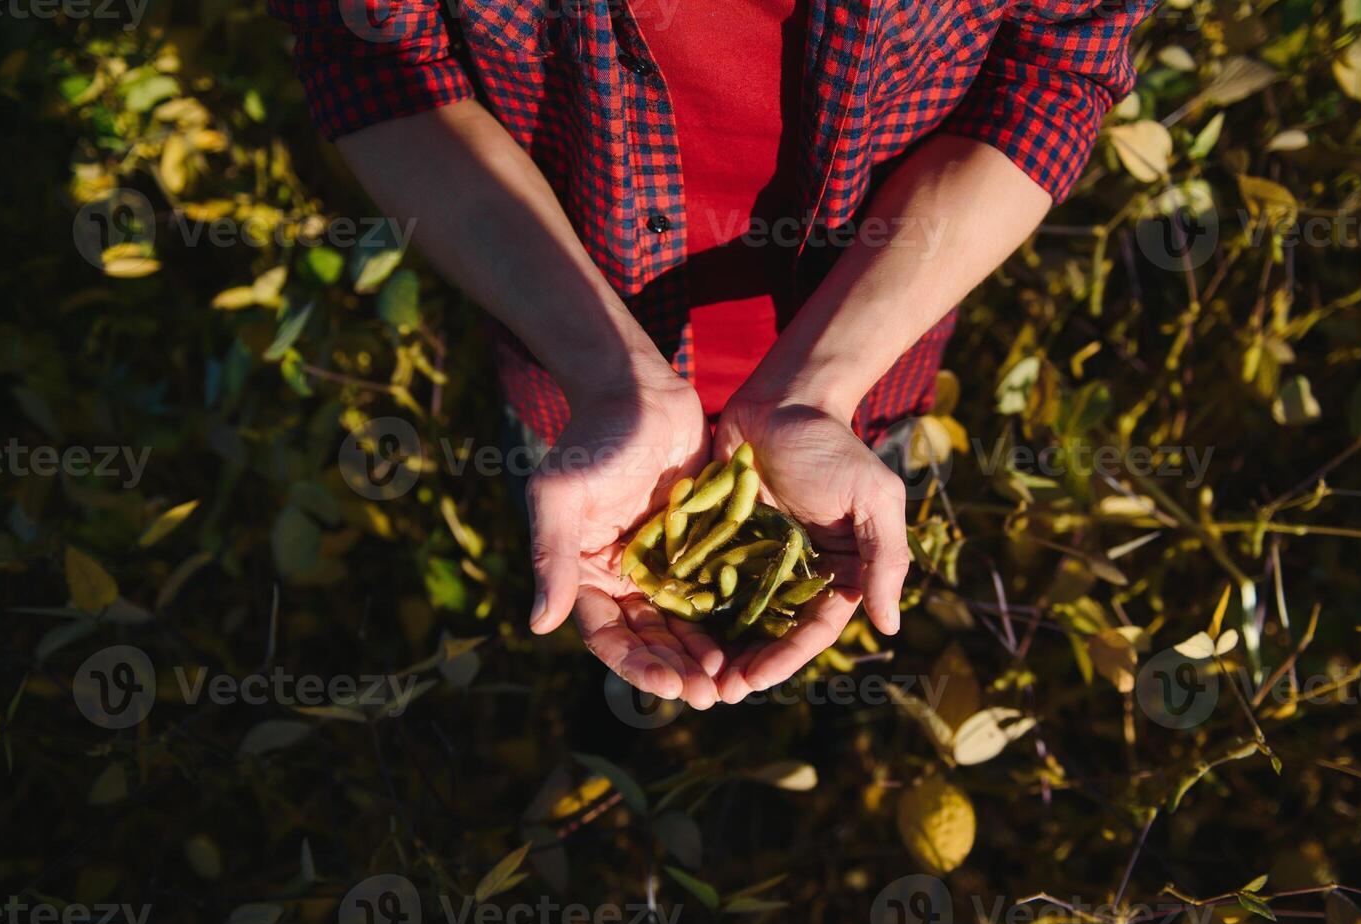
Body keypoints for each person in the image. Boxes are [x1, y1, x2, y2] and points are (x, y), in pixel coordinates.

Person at [270, 0, 1153, 708]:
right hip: (567, 356)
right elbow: (372, 56)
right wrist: (605, 368)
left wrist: (823, 387)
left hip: (870, 359)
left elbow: (1059, 66)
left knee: (811, 568)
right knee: (590, 561)